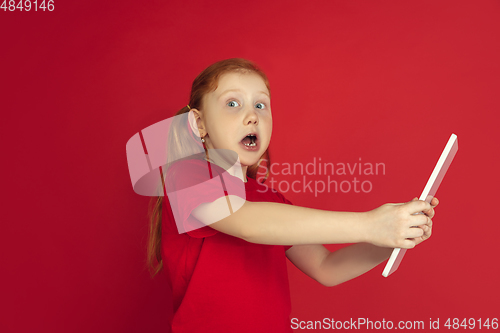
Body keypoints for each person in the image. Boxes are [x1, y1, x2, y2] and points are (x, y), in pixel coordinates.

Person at [146, 58, 438, 333]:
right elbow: (247, 223)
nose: (252, 116)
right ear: (199, 124)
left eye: (261, 105)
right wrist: (372, 224)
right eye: (233, 104)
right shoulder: (185, 177)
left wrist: (392, 238)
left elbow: (327, 268)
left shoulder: (271, 201)